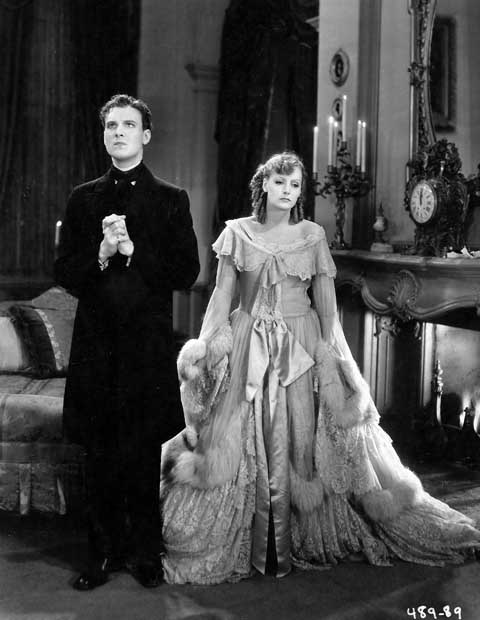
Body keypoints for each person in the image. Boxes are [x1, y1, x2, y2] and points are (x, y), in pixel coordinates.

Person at [160, 151, 480, 585]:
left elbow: (327, 305)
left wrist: (333, 359)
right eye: (280, 182)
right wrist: (204, 344)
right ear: (263, 185)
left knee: (301, 435)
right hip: (249, 338)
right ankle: (250, 536)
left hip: (300, 341)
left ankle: (290, 536)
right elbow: (221, 295)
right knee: (237, 434)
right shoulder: (237, 232)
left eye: (295, 185)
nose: (287, 191)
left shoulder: (312, 236)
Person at [55, 93, 199, 590]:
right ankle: (101, 555)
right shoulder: (82, 199)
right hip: (96, 346)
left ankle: (143, 554)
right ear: (104, 135)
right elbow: (64, 273)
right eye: (111, 125)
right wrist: (100, 252)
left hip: (145, 347)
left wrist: (134, 251)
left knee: (140, 451)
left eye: (128, 125)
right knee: (99, 452)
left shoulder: (171, 199)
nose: (118, 132)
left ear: (146, 135)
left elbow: (186, 272)